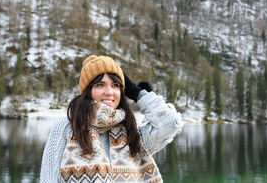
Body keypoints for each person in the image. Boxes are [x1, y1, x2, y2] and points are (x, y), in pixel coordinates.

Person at [40, 55, 183, 182]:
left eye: (115, 85)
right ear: (87, 91)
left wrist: (137, 93)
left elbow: (171, 123)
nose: (109, 92)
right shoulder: (67, 127)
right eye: (100, 85)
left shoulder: (131, 133)